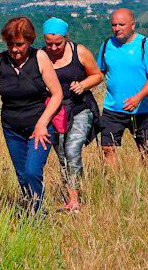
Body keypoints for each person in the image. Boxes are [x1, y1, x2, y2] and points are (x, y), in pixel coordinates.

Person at [0, 16, 63, 212]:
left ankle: (38, 215)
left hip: (39, 126)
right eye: (10, 44)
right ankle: (31, 211)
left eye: (20, 44)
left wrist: (42, 124)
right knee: (22, 175)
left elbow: (57, 94)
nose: (14, 49)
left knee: (32, 171)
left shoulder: (39, 57)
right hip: (11, 128)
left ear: (30, 41)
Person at [41, 17, 103, 212]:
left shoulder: (80, 52)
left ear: (66, 38)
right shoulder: (40, 56)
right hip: (54, 111)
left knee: (72, 149)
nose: (53, 48)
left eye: (58, 43)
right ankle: (71, 196)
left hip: (80, 107)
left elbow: (97, 75)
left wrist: (83, 85)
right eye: (49, 43)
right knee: (61, 154)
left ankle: (76, 200)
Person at [97, 8, 148, 169]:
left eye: (121, 24)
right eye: (114, 25)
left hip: (141, 110)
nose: (117, 28)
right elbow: (99, 72)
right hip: (112, 109)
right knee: (107, 148)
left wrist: (138, 98)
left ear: (132, 25)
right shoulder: (106, 45)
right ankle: (115, 184)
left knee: (146, 149)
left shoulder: (145, 44)